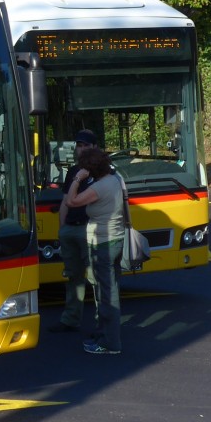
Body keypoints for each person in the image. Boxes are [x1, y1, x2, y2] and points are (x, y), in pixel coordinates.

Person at [63, 146, 125, 354]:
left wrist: (77, 179)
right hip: (116, 239)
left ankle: (110, 343)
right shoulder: (115, 180)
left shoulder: (99, 187)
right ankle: (103, 335)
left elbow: (71, 201)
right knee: (108, 290)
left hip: (103, 243)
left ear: (90, 170)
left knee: (107, 295)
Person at [48, 129, 98, 333]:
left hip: (91, 229)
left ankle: (103, 324)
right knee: (73, 278)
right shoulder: (72, 172)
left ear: (95, 147)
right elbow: (65, 202)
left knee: (97, 278)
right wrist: (63, 230)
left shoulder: (102, 171)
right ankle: (70, 319)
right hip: (71, 229)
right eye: (79, 145)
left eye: (86, 145)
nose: (82, 149)